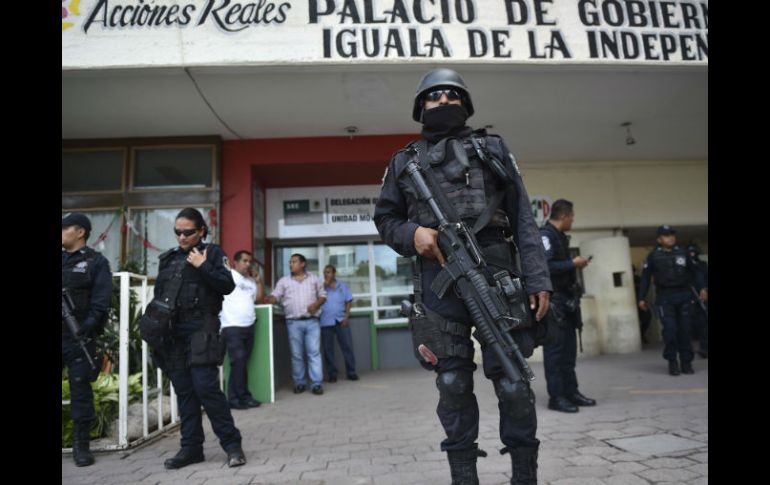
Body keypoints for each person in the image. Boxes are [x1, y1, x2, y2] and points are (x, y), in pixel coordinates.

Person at [374, 68, 552, 485]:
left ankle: (525, 475)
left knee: (512, 382)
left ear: (465, 104)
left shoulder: (492, 148)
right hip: (439, 278)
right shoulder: (404, 161)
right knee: (452, 382)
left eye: (452, 95)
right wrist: (412, 233)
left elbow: (524, 216)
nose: (442, 101)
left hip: (499, 277)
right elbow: (385, 218)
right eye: (433, 96)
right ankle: (463, 477)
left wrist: (539, 279)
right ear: (421, 107)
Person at [151, 208, 246, 469]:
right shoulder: (168, 259)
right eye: (178, 232)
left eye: (188, 232)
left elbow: (227, 285)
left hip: (201, 328)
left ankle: (232, 445)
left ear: (201, 230)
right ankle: (191, 448)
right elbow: (160, 296)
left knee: (206, 388)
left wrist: (202, 265)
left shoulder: (213, 253)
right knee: (185, 392)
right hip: (174, 333)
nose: (181, 237)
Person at [62, 212, 112, 467]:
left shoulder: (95, 262)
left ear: (80, 232)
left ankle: (81, 445)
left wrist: (89, 326)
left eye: (65, 228)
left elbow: (101, 300)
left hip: (77, 336)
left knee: (80, 389)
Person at [539, 199, 597, 414]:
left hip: (568, 302)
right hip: (555, 304)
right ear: (564, 216)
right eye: (572, 216)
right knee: (555, 353)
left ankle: (571, 392)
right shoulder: (545, 235)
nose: (573, 220)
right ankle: (557, 397)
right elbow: (546, 266)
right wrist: (573, 263)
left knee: (569, 353)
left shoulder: (560, 237)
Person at [638, 225, 707, 376]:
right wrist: (641, 297)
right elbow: (645, 278)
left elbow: (696, 271)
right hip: (665, 298)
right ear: (659, 239)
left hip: (684, 295)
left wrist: (702, 288)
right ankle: (672, 363)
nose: (670, 237)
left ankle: (686, 363)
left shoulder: (683, 253)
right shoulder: (653, 256)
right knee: (670, 331)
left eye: (672, 235)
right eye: (666, 235)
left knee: (685, 331)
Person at [262, 253, 327, 395]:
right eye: (290, 262)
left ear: (303, 264)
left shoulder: (314, 279)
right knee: (296, 355)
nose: (291, 264)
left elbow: (323, 296)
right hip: (293, 323)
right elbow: (275, 296)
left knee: (314, 353)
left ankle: (316, 384)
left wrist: (316, 304)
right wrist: (266, 297)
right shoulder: (284, 281)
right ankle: (299, 383)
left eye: (294, 262)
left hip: (312, 321)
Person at [219, 250, 264, 409]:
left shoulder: (250, 281)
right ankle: (242, 397)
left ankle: (235, 399)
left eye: (249, 261)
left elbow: (258, 299)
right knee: (238, 363)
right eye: (244, 261)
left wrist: (259, 282)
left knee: (240, 363)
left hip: (249, 326)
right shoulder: (227, 277)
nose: (248, 264)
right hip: (232, 327)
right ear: (235, 262)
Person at [320, 264, 358, 382]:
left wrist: (346, 317)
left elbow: (348, 301)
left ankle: (351, 372)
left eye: (329, 272)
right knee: (328, 349)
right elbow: (315, 300)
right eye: (325, 272)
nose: (326, 274)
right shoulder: (321, 288)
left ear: (334, 273)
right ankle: (332, 374)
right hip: (326, 321)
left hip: (341, 320)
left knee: (347, 347)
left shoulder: (343, 286)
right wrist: (322, 287)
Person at [686, 243, 708, 358]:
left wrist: (705, 290)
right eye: (690, 252)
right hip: (689, 297)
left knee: (704, 323)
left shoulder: (703, 265)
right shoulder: (684, 266)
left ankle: (704, 349)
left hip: (703, 297)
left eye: (693, 252)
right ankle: (688, 349)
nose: (692, 254)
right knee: (687, 324)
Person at [632, 265, 652, 345]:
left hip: (640, 302)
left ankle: (641, 334)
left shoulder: (637, 279)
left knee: (647, 317)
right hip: (630, 304)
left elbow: (643, 288)